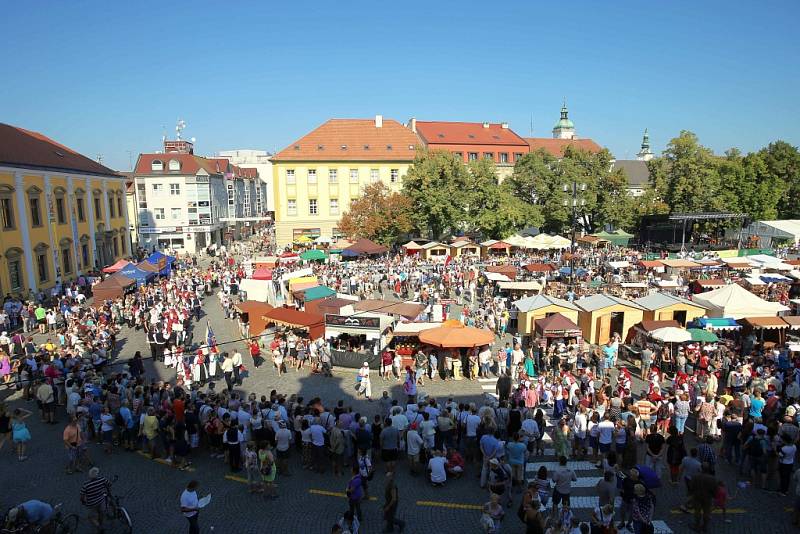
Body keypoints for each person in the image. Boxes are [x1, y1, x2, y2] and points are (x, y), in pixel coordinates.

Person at [81, 467, 110, 532]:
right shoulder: (102, 479)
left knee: (91, 516)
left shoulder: (86, 485)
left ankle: (98, 526)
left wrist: (83, 501)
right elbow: (109, 484)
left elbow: (82, 494)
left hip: (91, 503)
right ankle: (101, 523)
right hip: (101, 500)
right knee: (101, 512)